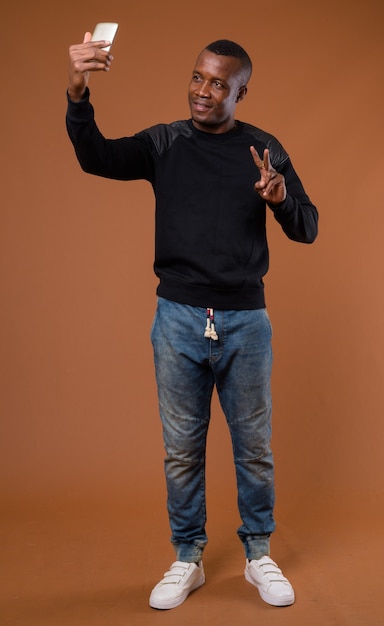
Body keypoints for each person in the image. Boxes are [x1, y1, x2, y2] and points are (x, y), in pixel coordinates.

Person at [66, 32, 318, 610]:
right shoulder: (165, 143)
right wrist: (78, 88)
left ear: (241, 92)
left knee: (253, 447)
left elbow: (308, 226)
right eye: (197, 78)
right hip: (177, 319)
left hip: (246, 323)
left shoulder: (264, 149)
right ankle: (188, 558)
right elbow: (95, 156)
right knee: (182, 449)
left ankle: (259, 555)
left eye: (219, 84)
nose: (203, 92)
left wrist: (279, 198)